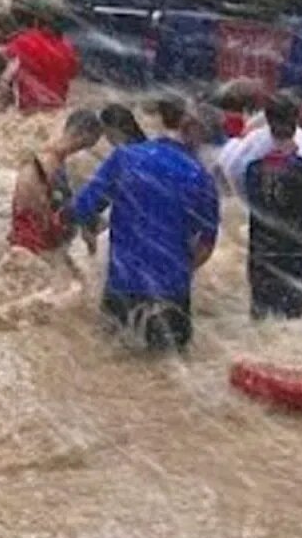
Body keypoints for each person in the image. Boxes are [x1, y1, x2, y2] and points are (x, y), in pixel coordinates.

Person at [68, 97, 220, 352]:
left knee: (111, 364)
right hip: (172, 292)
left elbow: (83, 208)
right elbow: (206, 244)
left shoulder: (125, 158)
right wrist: (180, 270)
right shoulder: (200, 176)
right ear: (193, 129)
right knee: (170, 373)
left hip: (123, 286)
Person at [245, 94, 302, 320]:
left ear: (269, 124)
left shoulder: (252, 170)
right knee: (293, 323)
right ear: (295, 123)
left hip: (260, 257)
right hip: (293, 256)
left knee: (262, 323)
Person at [9, 110, 104, 254]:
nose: (82, 151)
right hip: (32, 246)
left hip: (29, 242)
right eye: (86, 145)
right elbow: (35, 210)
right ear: (83, 136)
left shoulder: (48, 158)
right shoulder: (48, 164)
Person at [0, 0, 79, 114]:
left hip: (28, 115)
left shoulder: (24, 42)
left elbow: (6, 79)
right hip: (56, 114)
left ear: (37, 19)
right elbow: (72, 74)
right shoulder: (69, 49)